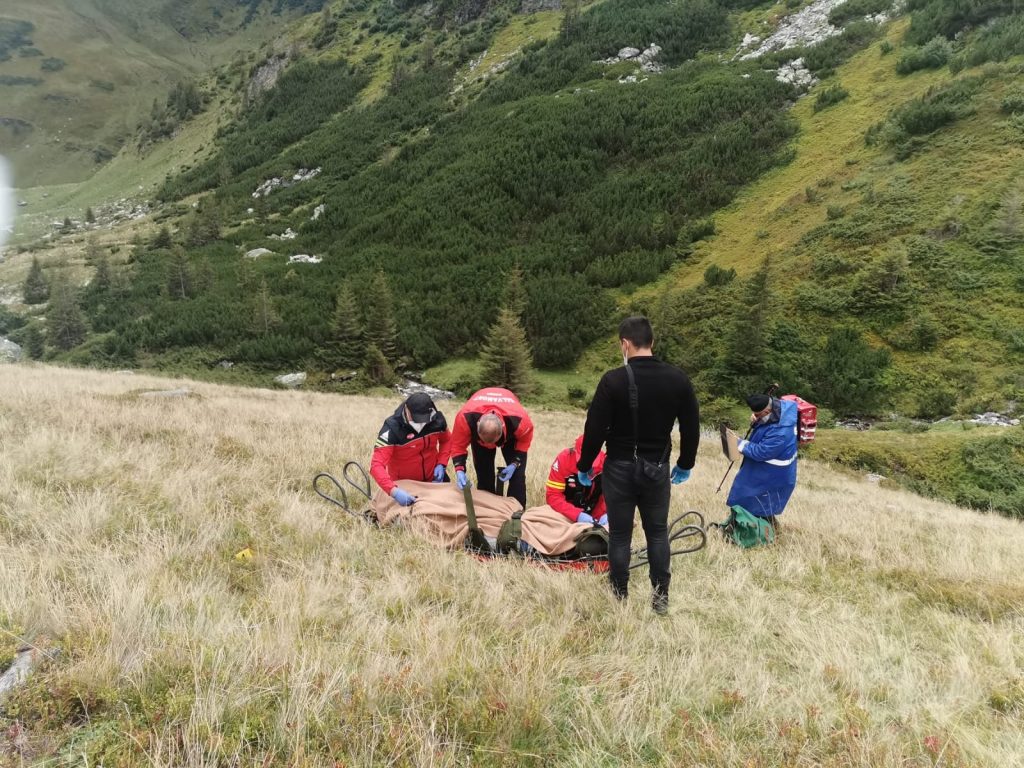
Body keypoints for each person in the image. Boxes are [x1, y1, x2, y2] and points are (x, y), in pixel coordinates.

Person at [577, 316, 700, 615]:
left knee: (620, 535)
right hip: (657, 468)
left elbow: (594, 429)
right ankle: (660, 598)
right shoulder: (678, 379)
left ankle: (619, 596)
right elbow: (691, 427)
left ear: (625, 344)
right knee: (657, 533)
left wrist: (584, 466)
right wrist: (685, 464)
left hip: (619, 467)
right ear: (652, 343)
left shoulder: (613, 380)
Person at [450, 387, 534, 508]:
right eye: (486, 442)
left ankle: (517, 514)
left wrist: (515, 463)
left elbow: (524, 440)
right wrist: (459, 470)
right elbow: (457, 445)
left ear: (502, 430)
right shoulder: (465, 418)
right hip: (479, 431)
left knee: (518, 477)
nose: (490, 446)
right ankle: (487, 511)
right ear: (477, 426)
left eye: (493, 442)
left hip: (510, 430)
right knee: (484, 475)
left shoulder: (520, 421)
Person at [726, 393, 798, 528]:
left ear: (767, 411)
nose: (756, 416)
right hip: (767, 469)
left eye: (758, 415)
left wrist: (738, 443)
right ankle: (759, 527)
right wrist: (757, 420)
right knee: (761, 502)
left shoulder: (781, 431)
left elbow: (761, 451)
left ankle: (755, 531)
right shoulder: (780, 409)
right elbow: (766, 428)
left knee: (754, 498)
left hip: (773, 474)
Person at [370, 392, 451, 507]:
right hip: (405, 486)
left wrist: (442, 464)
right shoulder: (392, 428)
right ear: (406, 409)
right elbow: (376, 465)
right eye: (416, 418)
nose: (421, 423)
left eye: (424, 419)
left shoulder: (437, 420)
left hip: (433, 479)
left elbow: (447, 440)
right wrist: (393, 491)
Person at [546, 434, 607, 525]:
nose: (589, 465)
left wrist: (607, 515)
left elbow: (612, 498)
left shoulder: (606, 463)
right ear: (575, 452)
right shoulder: (563, 460)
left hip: (596, 516)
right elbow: (553, 495)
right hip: (564, 514)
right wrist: (577, 515)